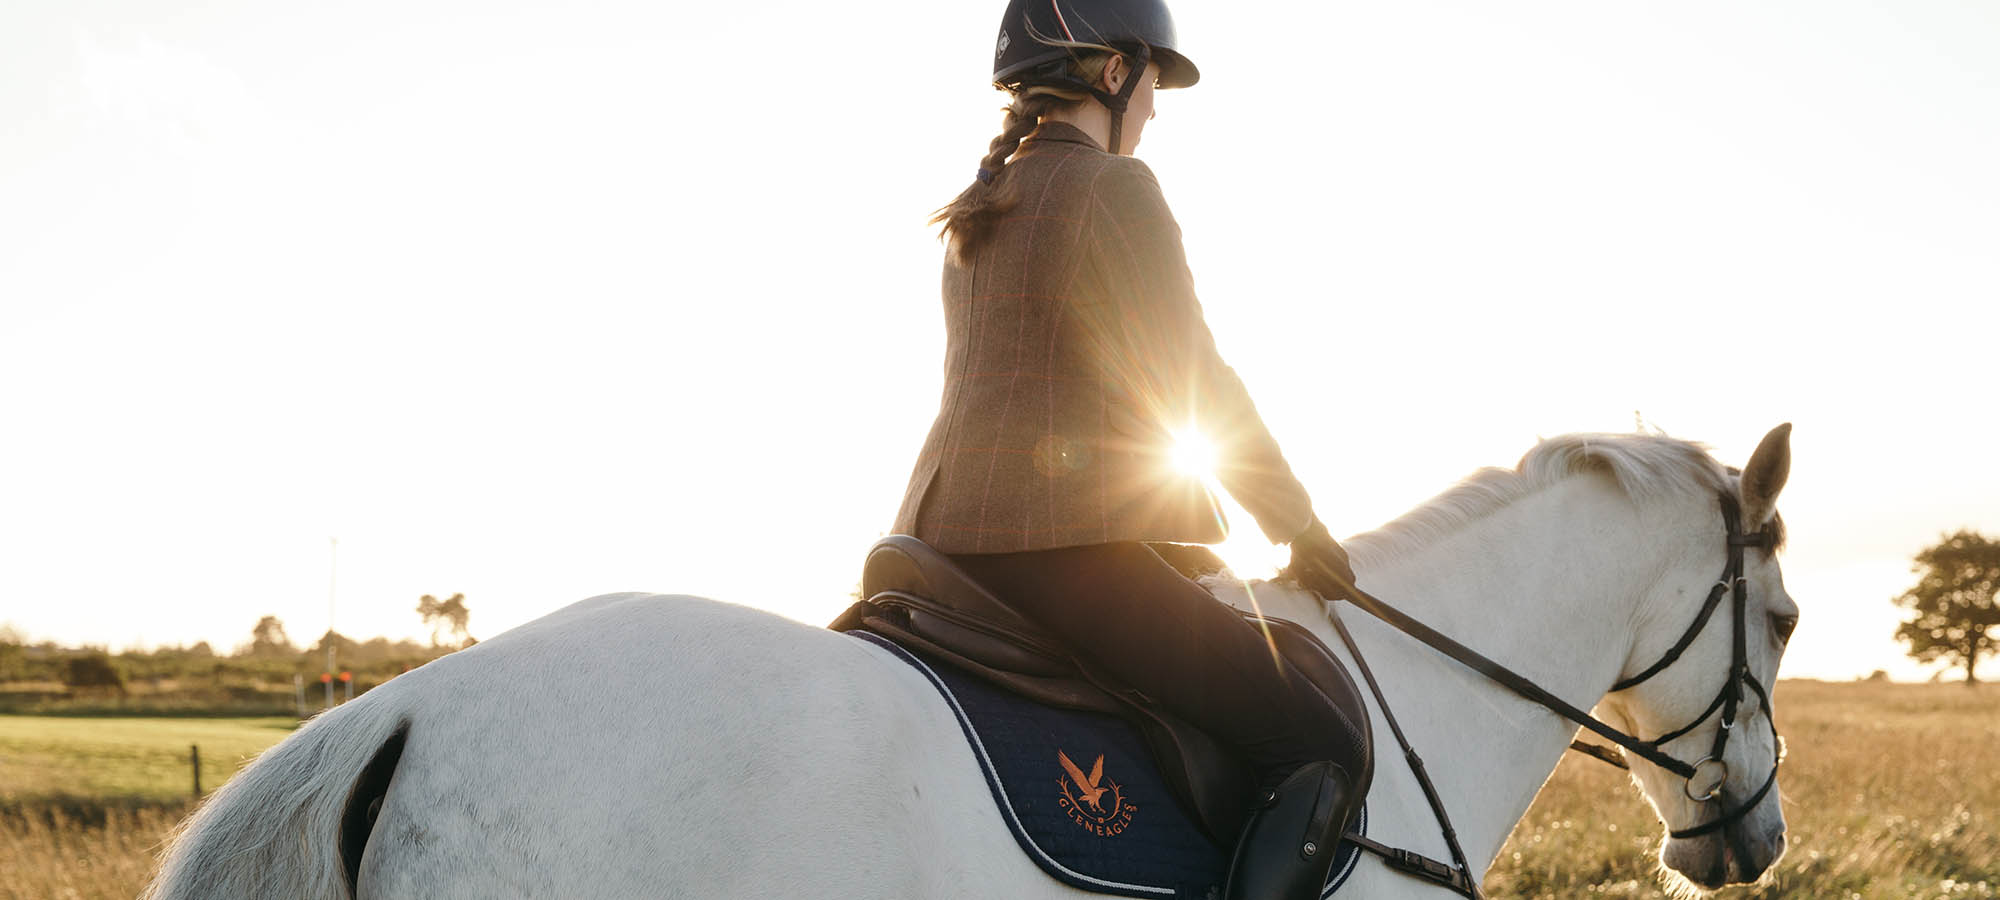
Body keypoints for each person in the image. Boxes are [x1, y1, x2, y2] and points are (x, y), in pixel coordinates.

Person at [890, 2, 1366, 898]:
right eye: (1152, 88)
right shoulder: (1113, 189)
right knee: (1322, 740)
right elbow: (1191, 374)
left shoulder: (981, 200)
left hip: (936, 541)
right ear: (1114, 74)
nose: (1153, 113)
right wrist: (1295, 522)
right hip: (1059, 557)